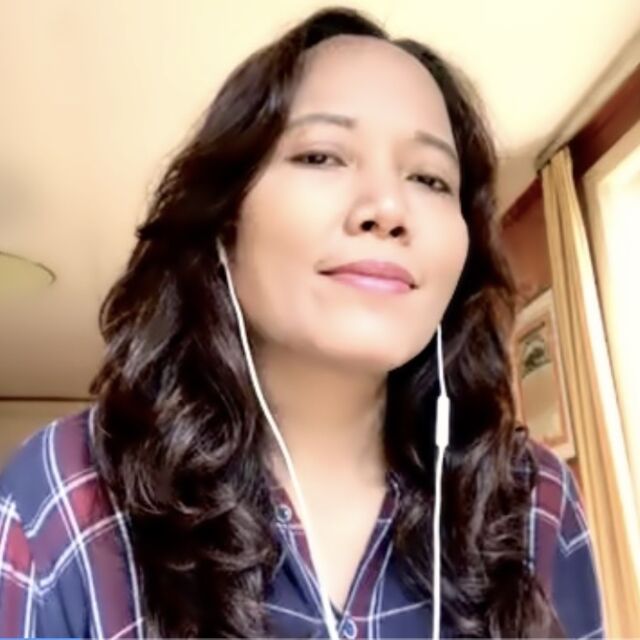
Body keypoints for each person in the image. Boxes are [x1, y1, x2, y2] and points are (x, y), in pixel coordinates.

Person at [0, 7, 603, 639]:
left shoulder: (536, 504)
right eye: (321, 156)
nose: (388, 207)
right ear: (224, 224)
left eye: (429, 178)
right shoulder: (65, 500)